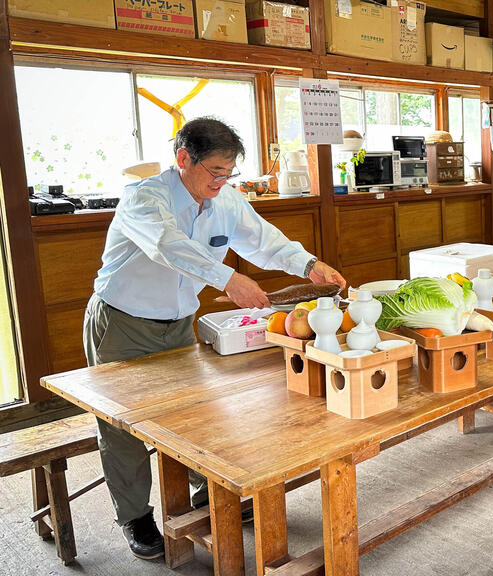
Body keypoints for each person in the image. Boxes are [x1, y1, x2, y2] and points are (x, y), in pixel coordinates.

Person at [84, 117, 346, 560]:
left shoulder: (225, 199)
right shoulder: (145, 199)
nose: (222, 182)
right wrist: (228, 278)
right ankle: (135, 516)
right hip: (122, 323)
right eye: (216, 172)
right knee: (124, 425)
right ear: (184, 159)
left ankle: (207, 491)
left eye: (230, 174)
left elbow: (265, 241)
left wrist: (308, 265)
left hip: (178, 323)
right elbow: (168, 246)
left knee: (194, 414)